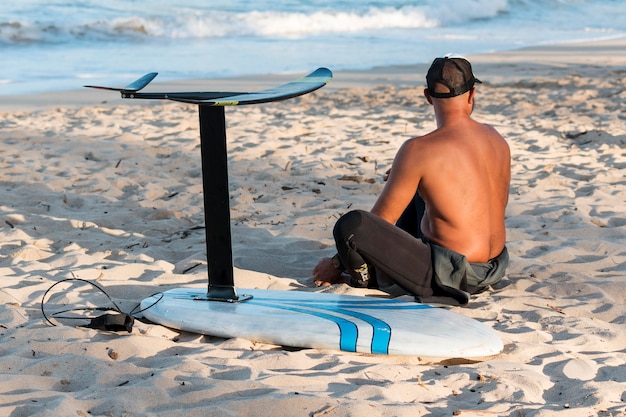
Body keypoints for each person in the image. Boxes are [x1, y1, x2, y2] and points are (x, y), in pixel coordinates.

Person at [312, 55, 511, 306]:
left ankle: (364, 279)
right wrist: (408, 175)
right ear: (472, 94)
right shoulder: (496, 138)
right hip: (495, 267)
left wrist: (335, 262)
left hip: (452, 275)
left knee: (351, 224)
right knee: (419, 188)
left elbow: (378, 221)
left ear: (427, 96)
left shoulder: (419, 149)